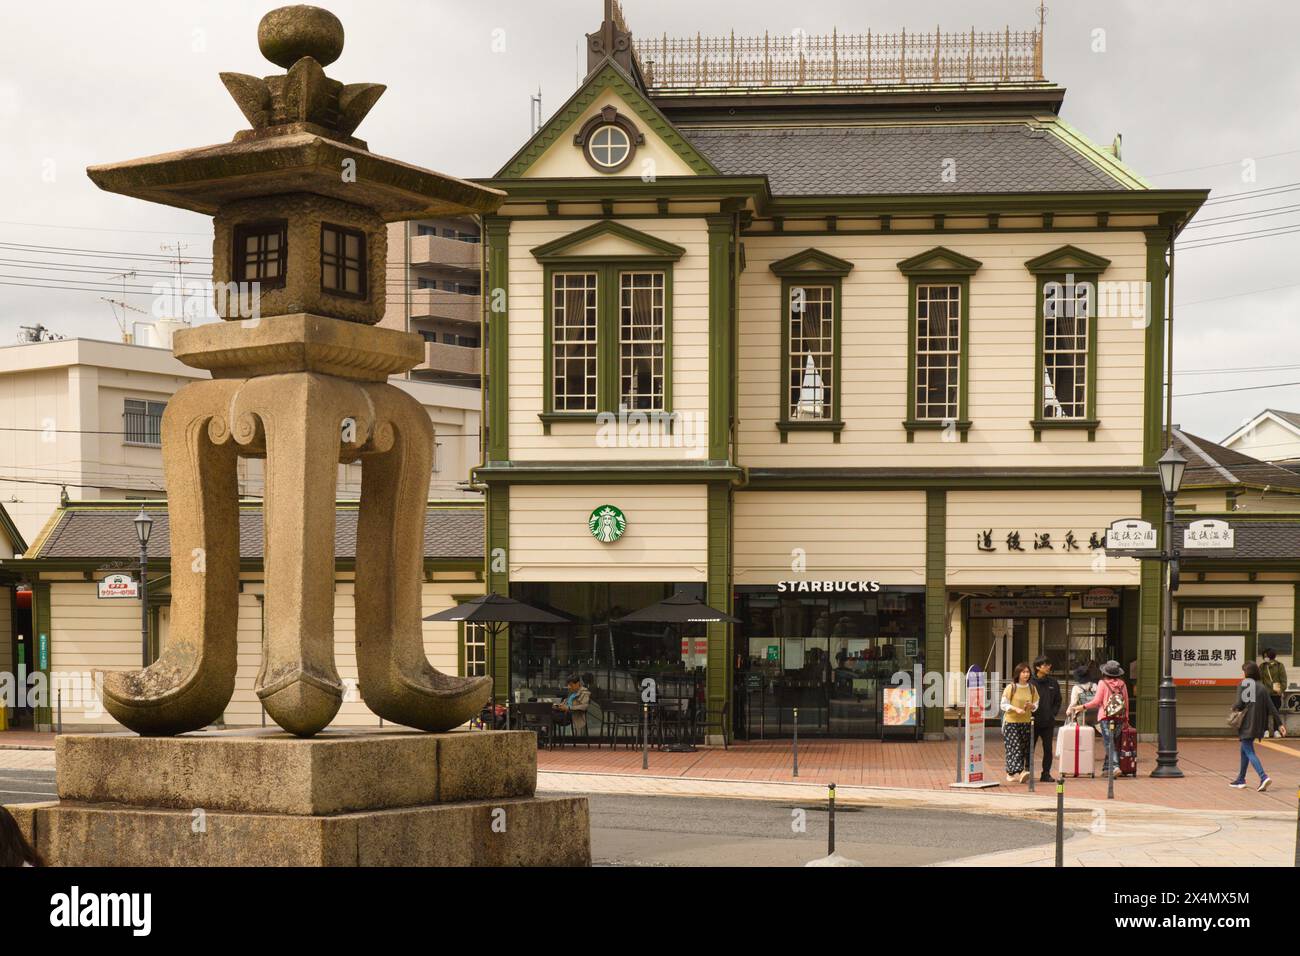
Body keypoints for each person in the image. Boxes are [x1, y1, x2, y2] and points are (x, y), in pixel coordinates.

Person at [1229, 661, 1287, 791]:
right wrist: (1280, 724)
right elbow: (1271, 707)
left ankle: (1263, 777)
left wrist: (1233, 708)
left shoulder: (1243, 684)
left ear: (1246, 673)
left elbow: (1239, 704)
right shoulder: (1262, 687)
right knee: (1244, 750)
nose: (1242, 673)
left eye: (1243, 671)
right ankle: (1241, 779)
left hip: (1246, 723)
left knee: (1248, 750)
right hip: (1258, 724)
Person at [1070, 660, 1129, 775]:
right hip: (1119, 717)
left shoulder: (1103, 683)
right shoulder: (1122, 684)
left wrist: (1082, 706)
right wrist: (1126, 718)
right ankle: (1106, 769)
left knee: (1109, 742)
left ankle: (1115, 766)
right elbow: (1126, 702)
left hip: (1105, 717)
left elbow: (1097, 702)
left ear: (1105, 672)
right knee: (1112, 742)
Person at [1000, 662, 1039, 784]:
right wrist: (1015, 708)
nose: (1026, 674)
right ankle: (1021, 772)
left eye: (1027, 672)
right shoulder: (1011, 687)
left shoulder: (1032, 688)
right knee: (1014, 747)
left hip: (1026, 722)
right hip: (1011, 722)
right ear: (1018, 673)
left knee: (1022, 749)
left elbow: (1036, 705)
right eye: (1023, 672)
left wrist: (1031, 706)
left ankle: (1010, 772)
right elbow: (1003, 704)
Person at [1030, 655, 1062, 782]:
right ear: (1038, 667)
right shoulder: (1030, 683)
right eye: (1045, 665)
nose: (1048, 667)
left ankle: (1046, 773)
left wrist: (1052, 713)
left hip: (1048, 722)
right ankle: (1027, 772)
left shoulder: (1053, 682)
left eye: (1049, 665)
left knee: (1048, 749)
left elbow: (1058, 700)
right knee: (1029, 748)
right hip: (1032, 721)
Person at [1260, 649, 1288, 738]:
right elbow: (1260, 679)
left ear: (1270, 656)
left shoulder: (1279, 665)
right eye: (1264, 656)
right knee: (1264, 712)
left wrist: (1281, 690)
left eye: (1266, 656)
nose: (1264, 658)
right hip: (1265, 693)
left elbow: (1283, 679)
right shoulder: (1262, 666)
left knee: (1276, 711)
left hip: (1276, 693)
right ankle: (1266, 730)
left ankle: (1276, 730)